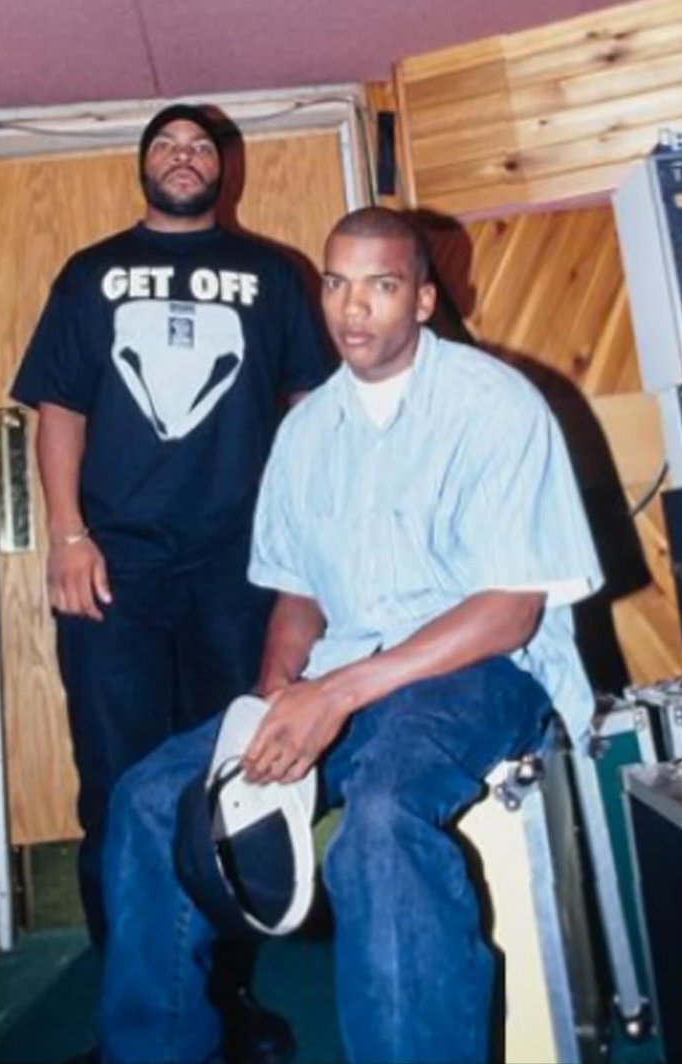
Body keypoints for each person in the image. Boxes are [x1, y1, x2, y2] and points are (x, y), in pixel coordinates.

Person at [99, 206, 603, 1064]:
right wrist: (270, 703)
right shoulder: (304, 431)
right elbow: (298, 595)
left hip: (482, 669)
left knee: (382, 817)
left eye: (381, 284)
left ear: (423, 300)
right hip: (344, 672)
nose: (352, 308)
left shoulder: (495, 405)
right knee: (149, 797)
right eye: (336, 284)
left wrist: (334, 696)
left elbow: (509, 610)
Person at [11, 104, 331, 1060]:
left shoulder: (275, 275)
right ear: (141, 166)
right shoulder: (89, 274)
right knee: (116, 786)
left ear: (221, 169)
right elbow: (59, 408)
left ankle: (224, 999)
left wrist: (304, 562)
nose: (182, 159)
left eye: (198, 147)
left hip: (240, 569)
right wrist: (68, 534)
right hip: (115, 570)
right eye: (165, 146)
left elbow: (314, 418)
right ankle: (135, 1008)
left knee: (222, 784)